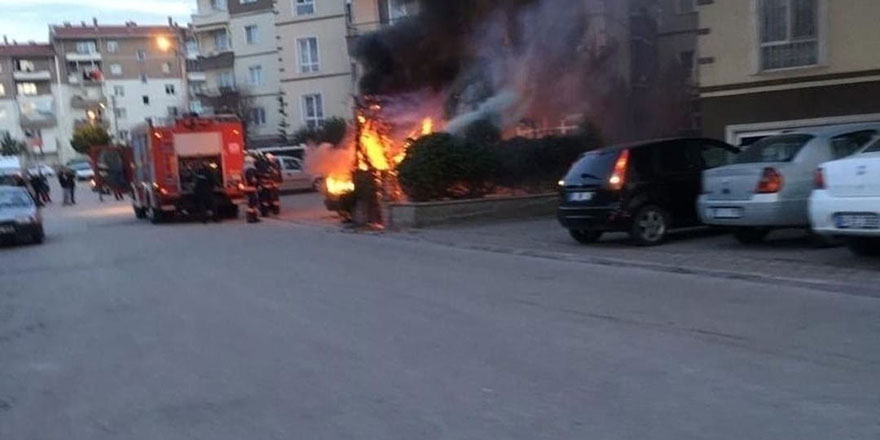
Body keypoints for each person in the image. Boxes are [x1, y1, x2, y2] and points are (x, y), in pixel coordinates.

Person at [243, 156, 260, 223]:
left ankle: (253, 217)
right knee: (252, 203)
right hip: (251, 188)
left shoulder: (244, 168)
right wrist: (258, 182)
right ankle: (252, 218)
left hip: (247, 188)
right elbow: (253, 179)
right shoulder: (250, 169)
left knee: (251, 203)